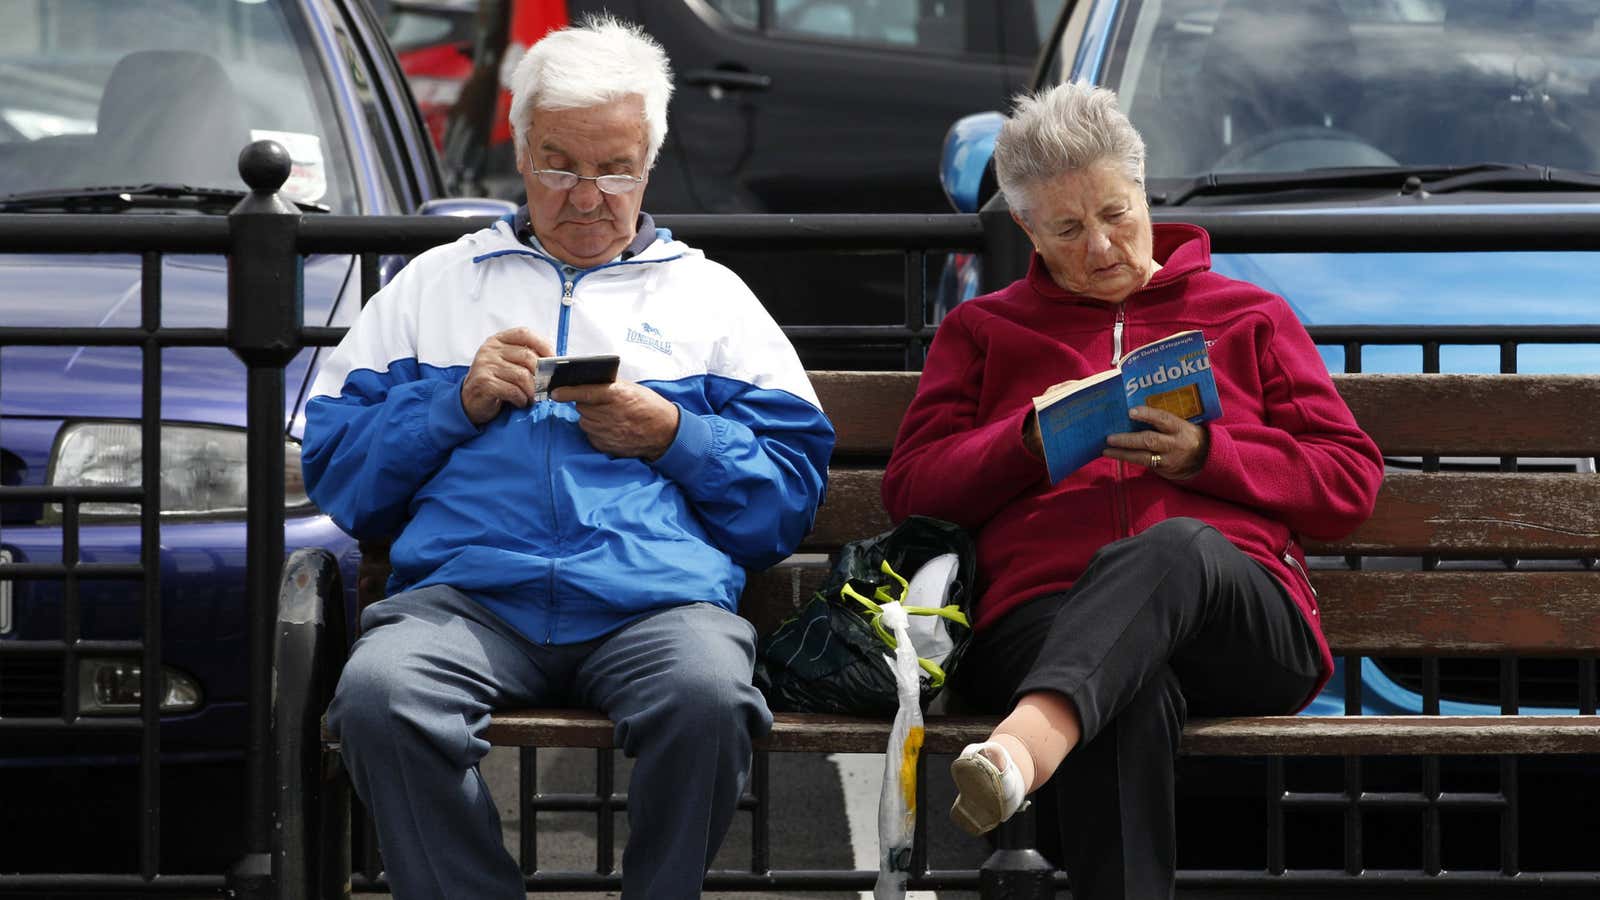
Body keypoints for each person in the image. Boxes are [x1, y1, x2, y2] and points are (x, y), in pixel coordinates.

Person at [302, 17, 834, 900]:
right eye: (560, 164)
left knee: (708, 698)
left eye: (614, 168)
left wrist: (671, 432)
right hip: (468, 601)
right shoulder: (438, 283)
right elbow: (338, 469)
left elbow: (788, 498)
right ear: (520, 155)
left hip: (654, 606)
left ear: (648, 165)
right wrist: (456, 403)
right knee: (380, 697)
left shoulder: (712, 298)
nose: (587, 195)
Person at [881, 82, 1384, 900]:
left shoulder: (1247, 314)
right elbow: (912, 491)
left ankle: (1022, 747)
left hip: (1242, 621)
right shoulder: (985, 331)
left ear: (1145, 193)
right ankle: (1045, 735)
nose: (1104, 247)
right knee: (1125, 693)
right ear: (1027, 230)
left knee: (1176, 545)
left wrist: (1207, 458)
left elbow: (1349, 478)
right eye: (1070, 229)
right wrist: (1026, 444)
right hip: (1044, 617)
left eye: (1117, 214)